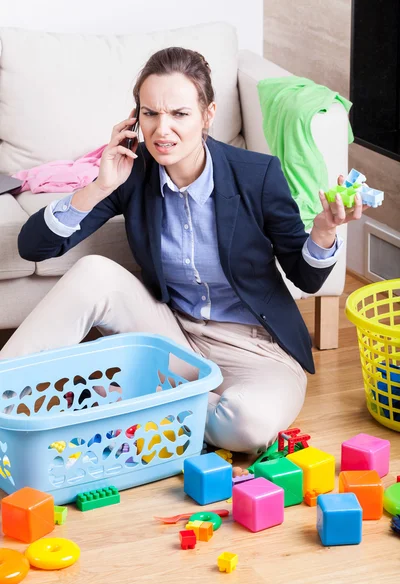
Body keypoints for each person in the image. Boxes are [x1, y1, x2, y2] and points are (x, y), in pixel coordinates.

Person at [0, 47, 366, 454]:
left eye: (179, 114)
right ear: (135, 118)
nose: (162, 130)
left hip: (256, 348)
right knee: (93, 273)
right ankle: (7, 394)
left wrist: (323, 232)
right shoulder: (131, 172)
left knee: (248, 428)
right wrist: (99, 186)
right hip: (173, 338)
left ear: (208, 115)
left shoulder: (257, 175)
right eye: (150, 113)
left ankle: (141, 399)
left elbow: (307, 275)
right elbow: (33, 245)